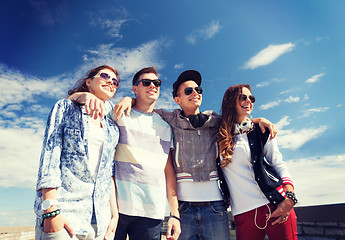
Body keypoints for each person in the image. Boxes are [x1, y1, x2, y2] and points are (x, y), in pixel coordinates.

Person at [113, 70, 277, 240]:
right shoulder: (168, 119)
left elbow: (237, 120)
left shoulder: (215, 121)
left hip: (216, 207)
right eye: (188, 91)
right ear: (177, 99)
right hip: (183, 209)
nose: (195, 93)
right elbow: (145, 106)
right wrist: (128, 99)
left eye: (198, 90)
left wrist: (258, 121)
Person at [69, 66, 181, 240]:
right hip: (115, 209)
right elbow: (72, 100)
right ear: (135, 89)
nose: (153, 86)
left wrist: (175, 214)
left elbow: (168, 172)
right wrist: (86, 95)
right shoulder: (117, 112)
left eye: (157, 83)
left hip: (152, 212)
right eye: (146, 82)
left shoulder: (166, 127)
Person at [34, 65, 121, 240]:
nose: (110, 82)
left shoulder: (113, 128)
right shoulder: (66, 107)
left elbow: (107, 174)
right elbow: (50, 156)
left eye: (115, 82)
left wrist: (115, 214)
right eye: (105, 76)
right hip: (65, 214)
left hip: (101, 223)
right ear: (89, 82)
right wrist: (50, 209)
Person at [217, 84, 298, 240]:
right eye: (243, 97)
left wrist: (290, 198)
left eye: (251, 98)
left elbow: (278, 164)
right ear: (230, 101)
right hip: (242, 213)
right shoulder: (217, 135)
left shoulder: (262, 130)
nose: (249, 101)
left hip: (275, 204)